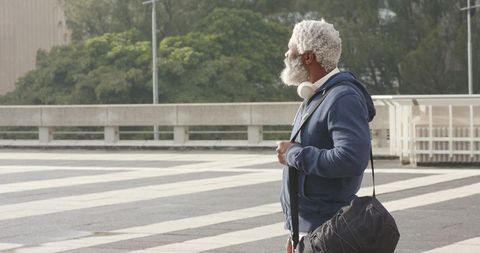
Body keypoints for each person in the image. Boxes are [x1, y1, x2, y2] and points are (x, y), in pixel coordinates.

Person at [276, 19, 376, 253]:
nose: (286, 53)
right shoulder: (318, 95)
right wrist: (295, 229)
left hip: (328, 230)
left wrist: (293, 153)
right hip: (310, 228)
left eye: (291, 48)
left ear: (308, 57)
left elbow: (351, 159)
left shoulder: (342, 98)